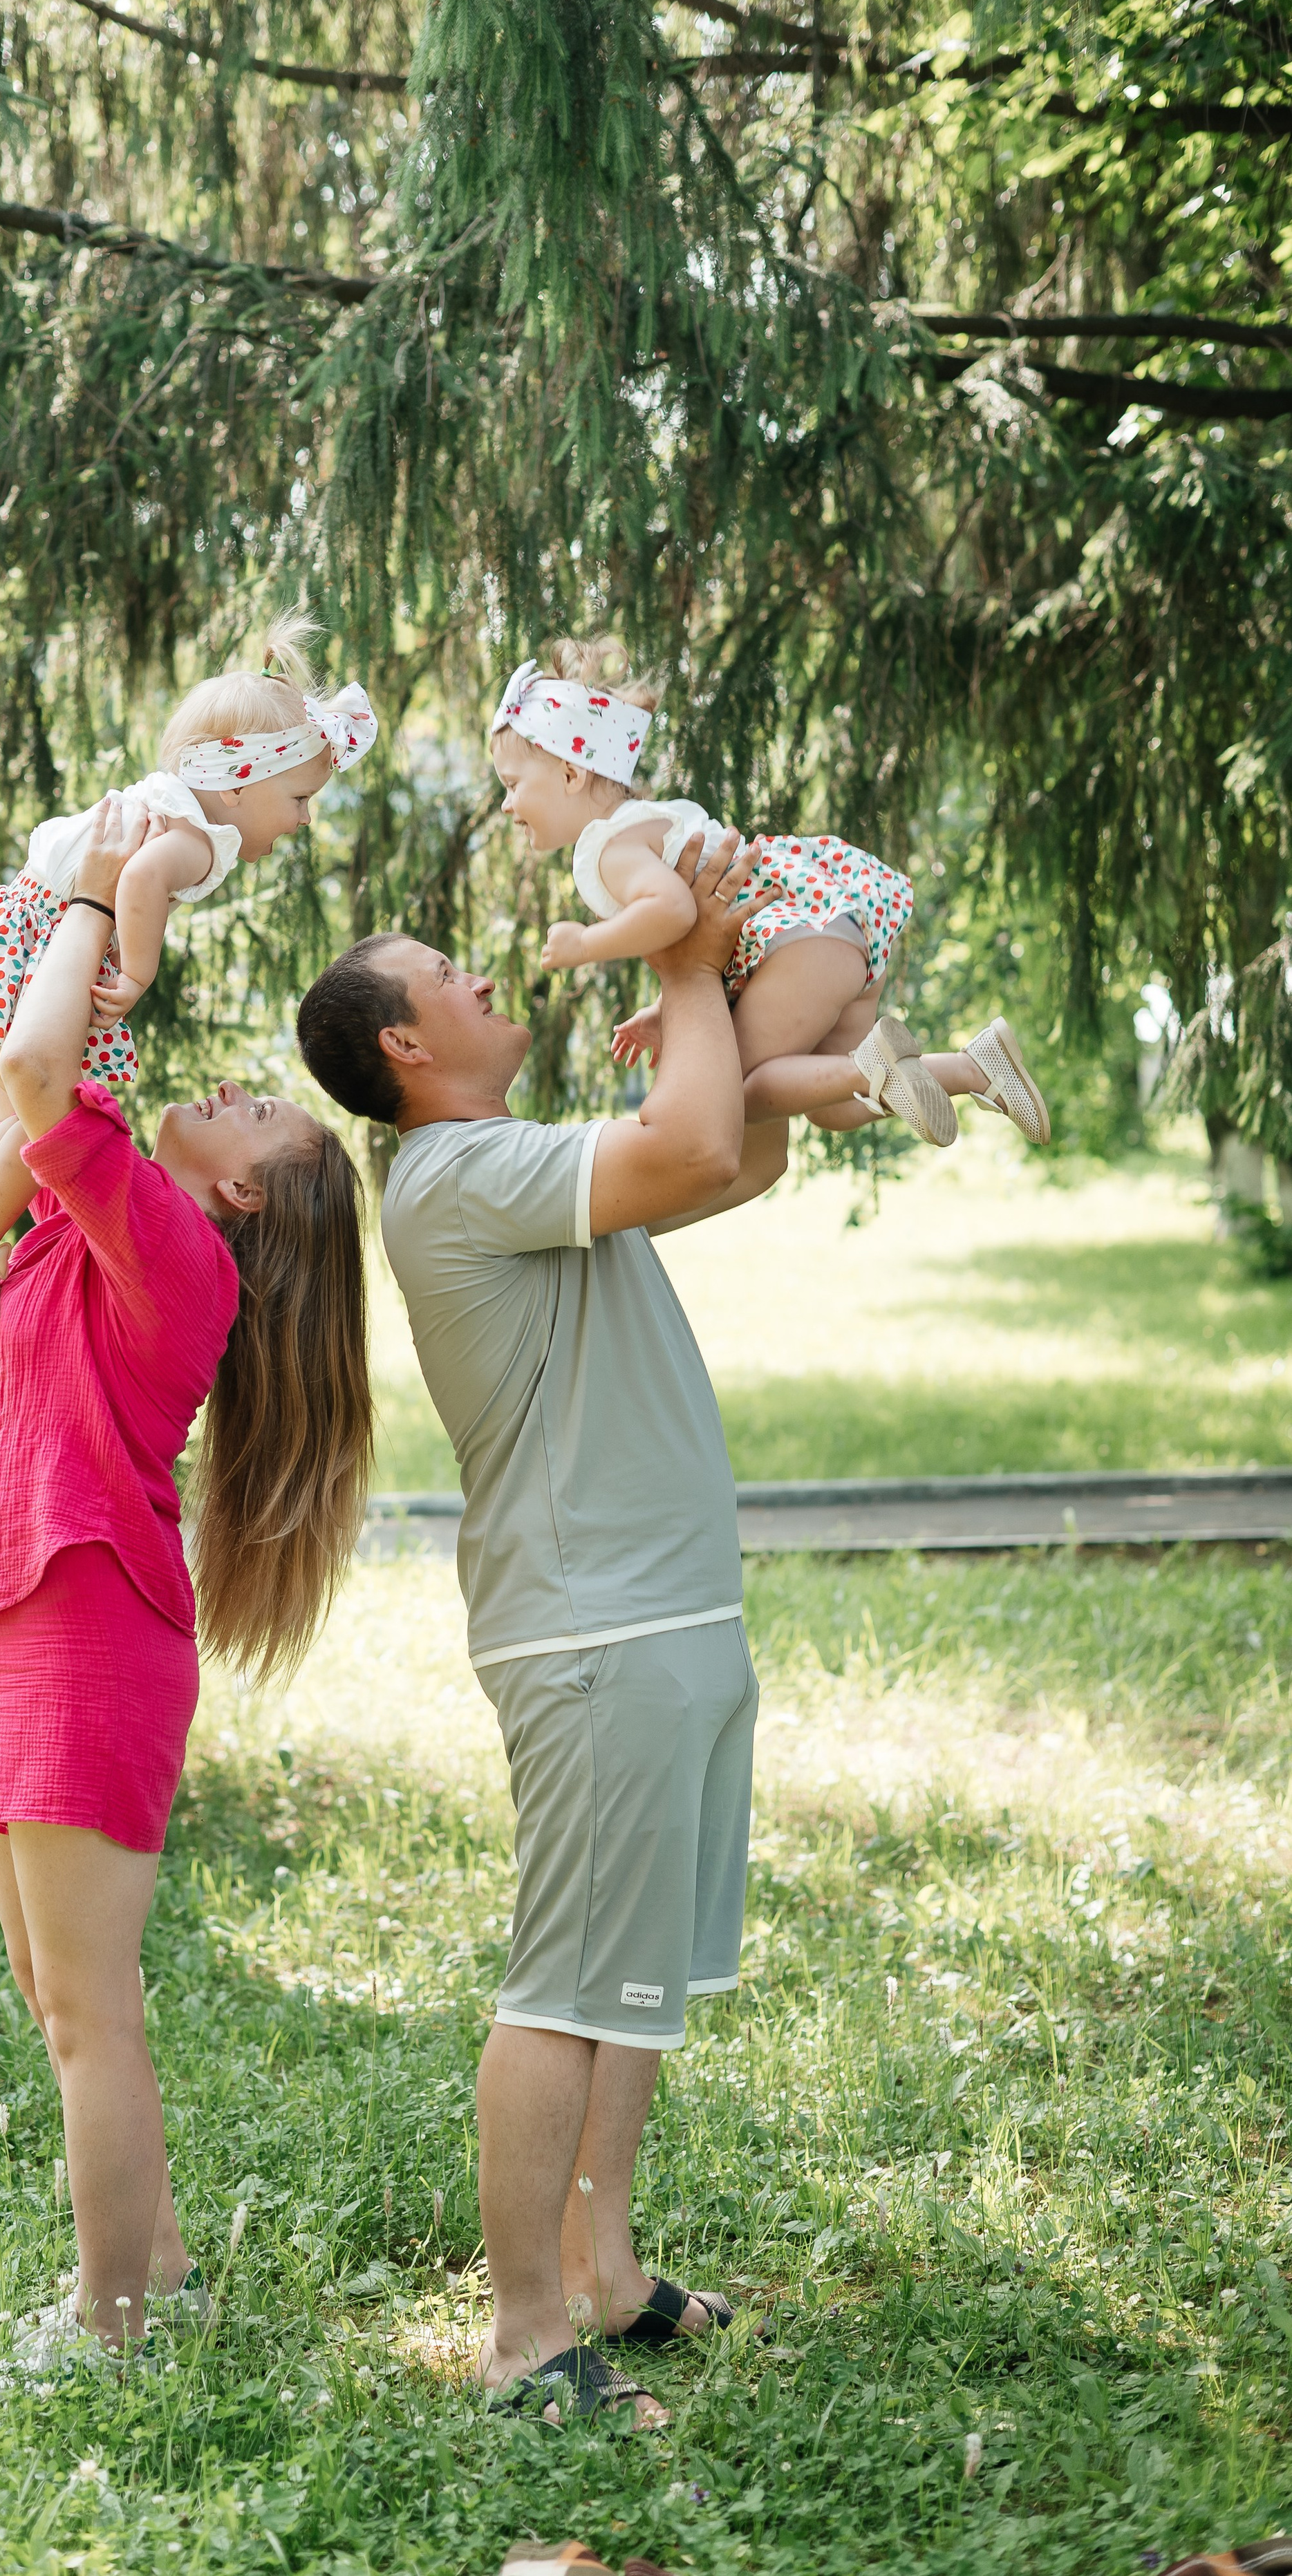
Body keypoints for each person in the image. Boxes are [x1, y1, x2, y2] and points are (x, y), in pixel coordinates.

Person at [295, 828, 786, 2428]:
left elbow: (734, 1156)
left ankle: (603, 2271)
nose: (487, 975)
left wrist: (733, 994)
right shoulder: (457, 1173)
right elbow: (694, 1145)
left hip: (659, 1610)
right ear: (403, 1044)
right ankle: (520, 2339)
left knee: (627, 1973)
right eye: (450, 975)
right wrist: (681, 962)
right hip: (594, 1630)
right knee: (566, 1982)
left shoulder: (507, 1166)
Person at [0, 796, 373, 2384]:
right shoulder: (110, 1202)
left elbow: (42, 1068)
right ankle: (156, 2267)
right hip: (8, 1611)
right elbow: (17, 1073)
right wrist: (81, 885)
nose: (231, 1087)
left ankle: (112, 2324)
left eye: (259, 1115)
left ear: (248, 1197)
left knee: (84, 2011)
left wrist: (100, 908)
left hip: (82, 1627)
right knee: (53, 1990)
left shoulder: (174, 1250)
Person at [0, 615, 377, 1330]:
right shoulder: (199, 840)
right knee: (57, 1105)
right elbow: (144, 878)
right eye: (299, 799)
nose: (304, 820)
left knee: (28, 1114)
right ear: (239, 784)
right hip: (44, 938)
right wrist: (139, 974)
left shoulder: (176, 809)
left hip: (14, 925)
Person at [492, 641, 1050, 1153]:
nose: (506, 804)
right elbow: (703, 934)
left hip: (798, 947)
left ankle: (881, 1067)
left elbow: (676, 911)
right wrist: (665, 1011)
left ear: (571, 775)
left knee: (730, 1093)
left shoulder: (609, 848)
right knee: (834, 1107)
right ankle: (976, 1067)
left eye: (513, 784)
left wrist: (586, 943)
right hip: (839, 930)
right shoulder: (652, 822)